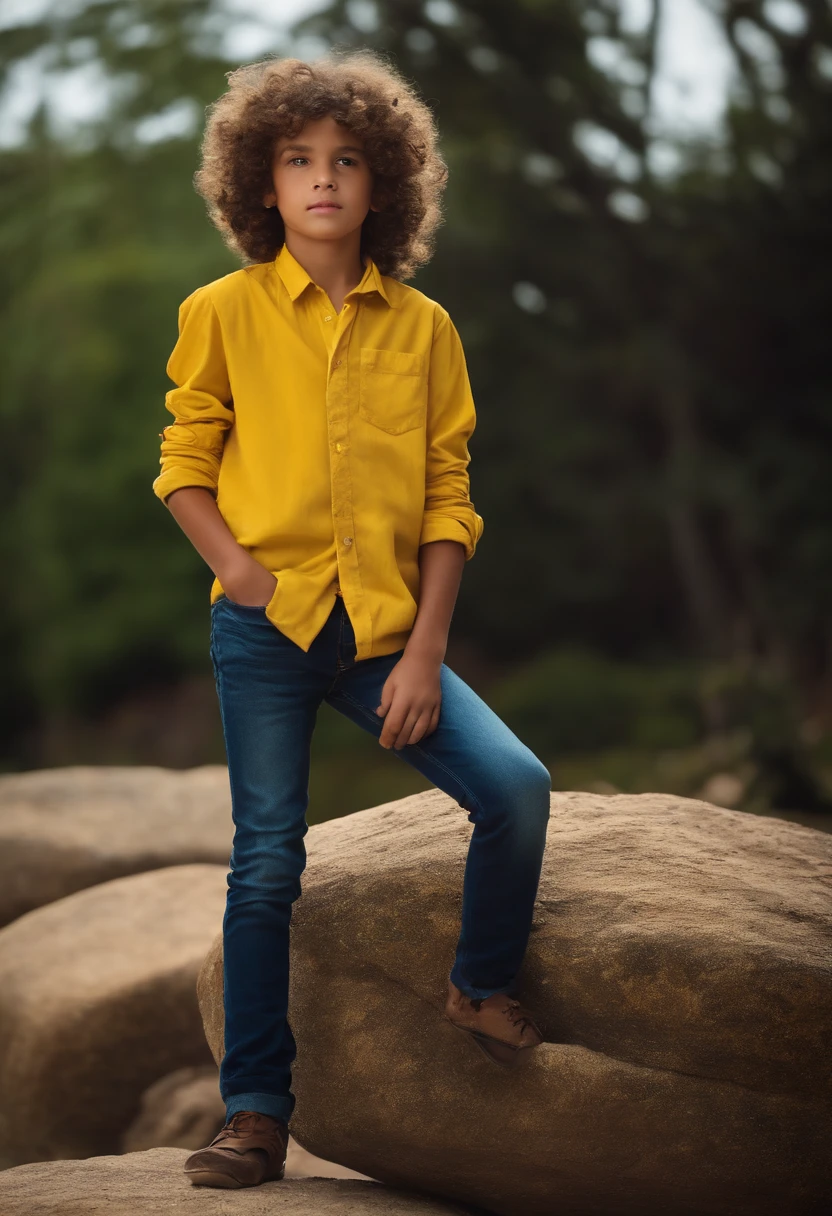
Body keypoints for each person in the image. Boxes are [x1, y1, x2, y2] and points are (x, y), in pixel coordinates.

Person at [152, 48, 552, 1190]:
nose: (321, 180)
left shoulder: (424, 330)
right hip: (263, 627)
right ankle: (255, 1113)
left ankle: (476, 985)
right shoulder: (218, 313)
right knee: (266, 864)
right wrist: (237, 571)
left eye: (346, 161)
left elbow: (446, 498)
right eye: (296, 160)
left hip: (384, 634)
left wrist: (424, 652)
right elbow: (182, 462)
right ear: (258, 184)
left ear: (385, 187)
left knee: (516, 786)